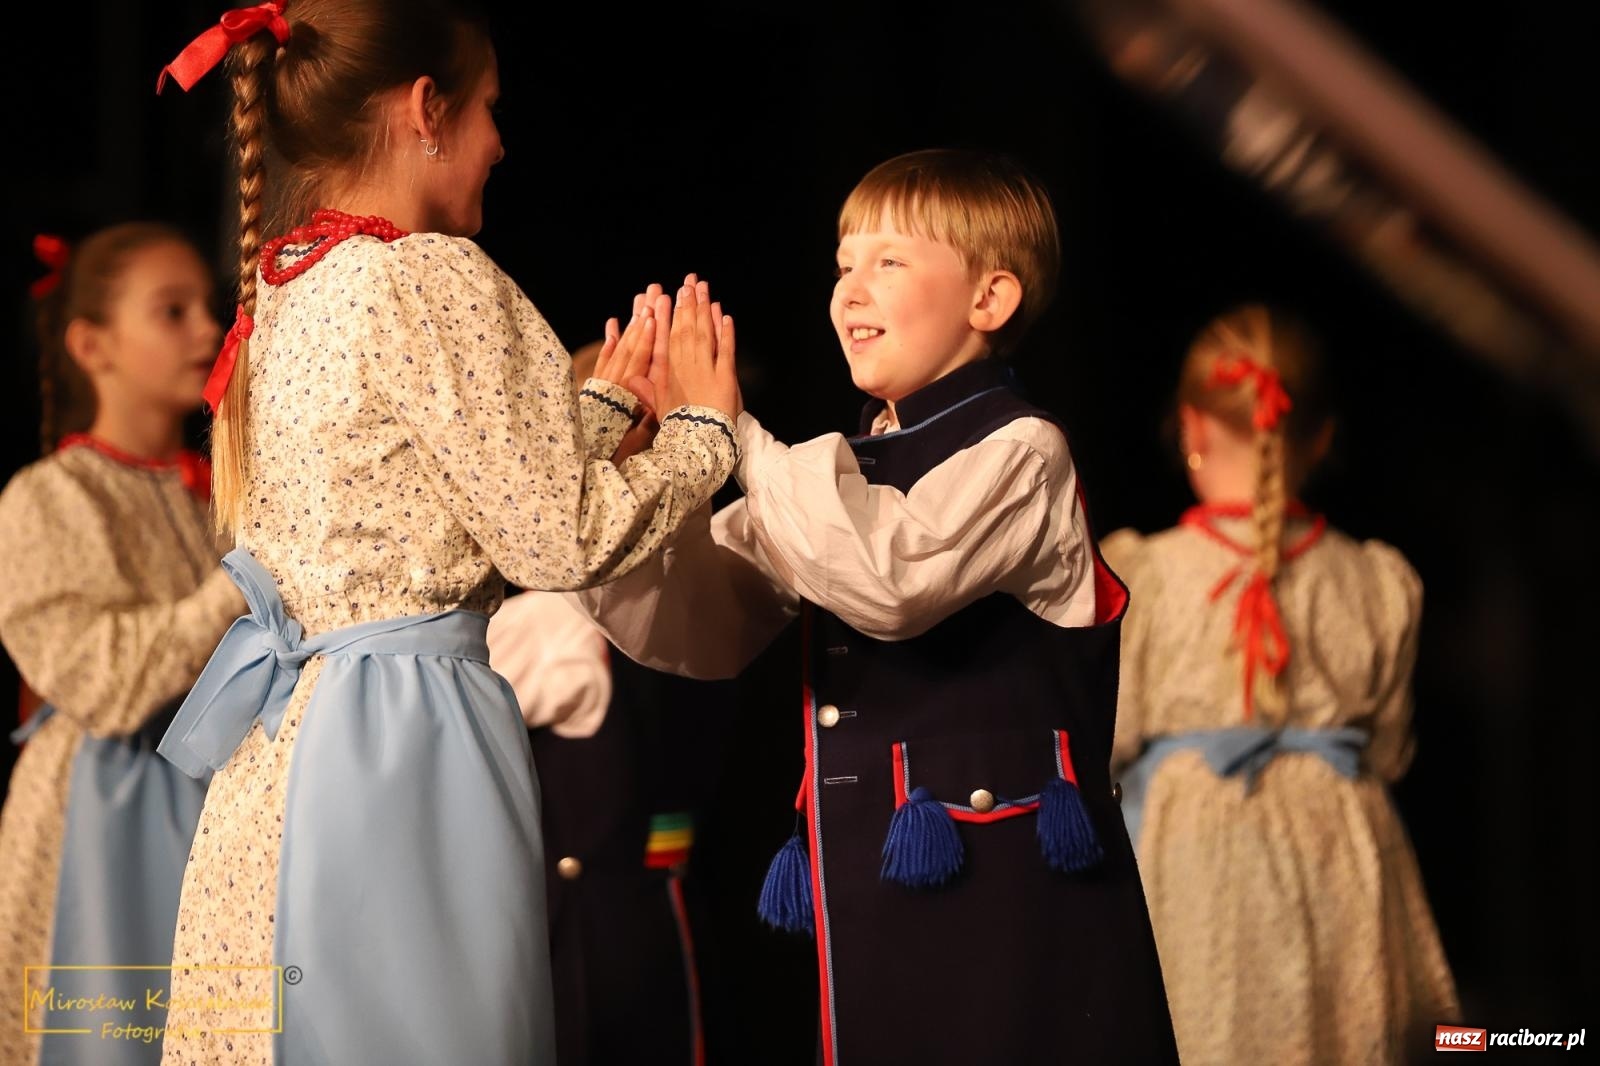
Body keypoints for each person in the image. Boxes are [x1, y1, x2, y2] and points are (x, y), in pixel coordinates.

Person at [150, 1, 740, 1062]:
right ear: (427, 108)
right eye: (489, 111)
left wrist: (601, 410)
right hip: (403, 740)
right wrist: (702, 433)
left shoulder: (285, 288)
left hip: (292, 741)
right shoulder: (429, 274)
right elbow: (554, 539)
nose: (501, 142)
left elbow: (427, 481)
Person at [573, 148, 1178, 1065]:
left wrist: (733, 432)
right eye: (843, 264)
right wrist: (634, 465)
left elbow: (892, 578)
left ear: (991, 300)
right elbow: (696, 620)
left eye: (888, 262)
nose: (851, 288)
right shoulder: (834, 473)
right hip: (882, 898)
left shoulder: (1022, 451)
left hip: (1007, 908)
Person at [1101, 304, 1460, 1064]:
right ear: (1321, 438)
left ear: (1192, 427)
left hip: (1195, 852)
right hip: (1341, 849)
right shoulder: (1373, 580)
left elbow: (1114, 732)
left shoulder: (1147, 577)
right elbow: (1389, 750)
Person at [0, 222, 245, 1065]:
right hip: (101, 815)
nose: (207, 332)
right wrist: (240, 584)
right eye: (171, 313)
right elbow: (102, 678)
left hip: (222, 801)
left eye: (206, 309)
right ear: (91, 345)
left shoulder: (220, 495)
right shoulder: (49, 498)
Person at [486, 340, 732, 1066]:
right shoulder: (552, 621)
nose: (663, 450)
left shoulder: (719, 587)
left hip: (667, 925)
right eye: (643, 424)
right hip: (586, 938)